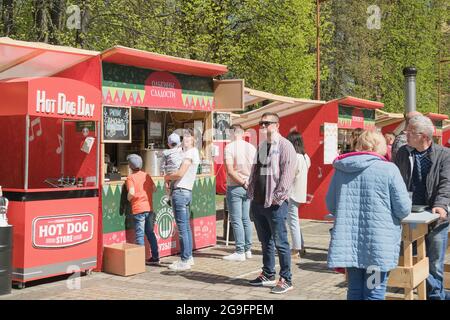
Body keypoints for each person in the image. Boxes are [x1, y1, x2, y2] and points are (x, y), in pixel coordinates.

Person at [326, 130, 411, 300]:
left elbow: (331, 205)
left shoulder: (342, 169)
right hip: (376, 246)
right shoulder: (388, 169)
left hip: (349, 244)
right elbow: (403, 209)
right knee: (374, 291)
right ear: (380, 146)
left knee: (355, 290)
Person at [394, 115, 450, 300]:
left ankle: (435, 296)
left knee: (434, 263)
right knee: (412, 260)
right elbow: (396, 180)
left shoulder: (444, 155)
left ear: (424, 136)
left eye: (411, 132)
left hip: (437, 217)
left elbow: (446, 182)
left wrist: (441, 204)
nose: (406, 134)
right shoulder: (403, 152)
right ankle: (419, 292)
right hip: (410, 216)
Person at [247, 112, 297, 294]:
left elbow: (287, 175)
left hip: (275, 203)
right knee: (265, 241)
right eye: (261, 123)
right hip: (259, 201)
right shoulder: (262, 146)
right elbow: (255, 171)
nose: (262, 127)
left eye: (266, 123)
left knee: (281, 242)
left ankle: (286, 278)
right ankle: (268, 273)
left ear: (277, 125)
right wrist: (251, 192)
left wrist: (277, 198)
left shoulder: (285, 146)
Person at [164, 128, 200, 271]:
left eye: (188, 137)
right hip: (185, 191)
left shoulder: (190, 153)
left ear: (193, 139)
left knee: (182, 228)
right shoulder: (188, 153)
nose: (185, 139)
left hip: (180, 192)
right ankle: (188, 257)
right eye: (183, 137)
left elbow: (180, 174)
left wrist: (166, 177)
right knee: (185, 227)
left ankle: (185, 260)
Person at [223, 124, 256, 261]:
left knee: (236, 219)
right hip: (249, 185)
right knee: (246, 219)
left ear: (231, 133)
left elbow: (230, 171)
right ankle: (248, 249)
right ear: (243, 133)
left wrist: (242, 182)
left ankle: (240, 251)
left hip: (236, 186)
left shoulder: (229, 148)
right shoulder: (252, 147)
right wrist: (249, 183)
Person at [126, 154, 160, 265]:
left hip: (138, 209)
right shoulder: (147, 175)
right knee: (150, 233)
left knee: (140, 235)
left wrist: (128, 198)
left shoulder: (130, 178)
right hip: (149, 209)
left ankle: (139, 261)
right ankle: (155, 257)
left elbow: (131, 192)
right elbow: (154, 189)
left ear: (130, 166)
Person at [286, 131, 310, 259]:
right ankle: (301, 245)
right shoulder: (306, 157)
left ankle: (296, 249)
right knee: (295, 220)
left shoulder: (294, 157)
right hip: (300, 192)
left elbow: (289, 175)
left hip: (292, 193)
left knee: (292, 221)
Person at [161, 132, 183, 205]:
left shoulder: (166, 152)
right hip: (178, 170)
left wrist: (162, 171)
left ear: (168, 144)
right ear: (179, 143)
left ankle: (168, 197)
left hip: (169, 171)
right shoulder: (180, 151)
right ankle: (170, 197)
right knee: (174, 183)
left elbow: (162, 164)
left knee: (167, 182)